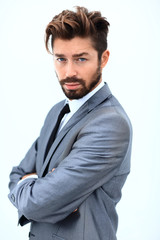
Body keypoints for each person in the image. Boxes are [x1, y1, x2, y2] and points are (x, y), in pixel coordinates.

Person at [8, 6, 132, 240]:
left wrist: (36, 186)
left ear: (103, 58)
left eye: (81, 59)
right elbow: (18, 173)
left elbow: (36, 204)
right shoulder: (57, 111)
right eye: (61, 59)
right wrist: (39, 186)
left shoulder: (110, 124)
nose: (69, 72)